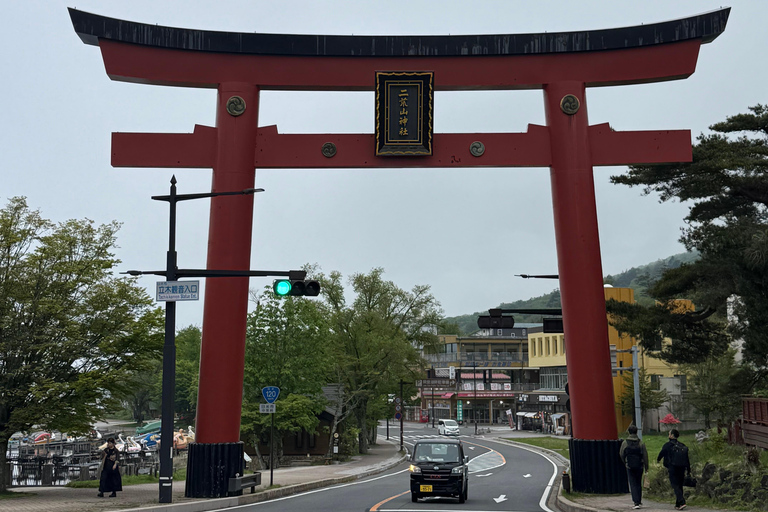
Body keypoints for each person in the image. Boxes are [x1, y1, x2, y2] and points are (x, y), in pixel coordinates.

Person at [657, 428, 691, 510]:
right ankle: (678, 504)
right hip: (682, 467)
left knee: (675, 485)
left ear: (672, 436)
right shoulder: (682, 445)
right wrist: (688, 469)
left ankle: (682, 501)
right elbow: (687, 459)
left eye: (669, 434)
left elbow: (661, 453)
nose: (668, 435)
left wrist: (658, 460)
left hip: (672, 467)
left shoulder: (667, 445)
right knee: (680, 485)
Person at [620, 425, 649, 509]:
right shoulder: (640, 442)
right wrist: (646, 467)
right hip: (640, 465)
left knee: (633, 484)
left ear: (629, 432)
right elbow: (645, 456)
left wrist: (625, 462)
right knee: (638, 483)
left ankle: (635, 502)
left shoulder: (625, 443)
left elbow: (621, 454)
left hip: (629, 466)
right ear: (636, 432)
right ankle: (639, 500)